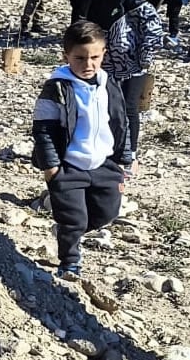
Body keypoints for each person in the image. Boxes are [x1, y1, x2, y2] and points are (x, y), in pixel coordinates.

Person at [32, 21, 132, 279]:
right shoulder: (57, 88)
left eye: (95, 57)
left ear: (104, 54)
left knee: (107, 212)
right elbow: (43, 130)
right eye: (80, 58)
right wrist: (51, 167)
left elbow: (121, 121)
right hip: (69, 166)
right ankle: (70, 262)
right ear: (66, 56)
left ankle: (69, 230)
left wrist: (125, 157)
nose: (88, 64)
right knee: (74, 218)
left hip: (104, 164)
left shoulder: (108, 83)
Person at [82, 0, 161, 159]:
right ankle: (106, 149)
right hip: (101, 65)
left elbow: (153, 26)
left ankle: (129, 154)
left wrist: (144, 58)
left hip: (131, 67)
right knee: (102, 108)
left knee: (128, 109)